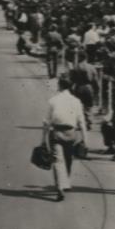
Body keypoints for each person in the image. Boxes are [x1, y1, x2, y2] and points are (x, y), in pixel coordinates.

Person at [42, 74, 88, 202]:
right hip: (71, 133)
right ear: (71, 86)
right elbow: (82, 122)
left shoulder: (53, 100)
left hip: (56, 132)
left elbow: (46, 122)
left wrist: (42, 139)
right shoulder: (76, 101)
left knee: (57, 160)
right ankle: (65, 182)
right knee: (68, 159)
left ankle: (60, 187)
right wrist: (85, 140)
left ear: (59, 85)